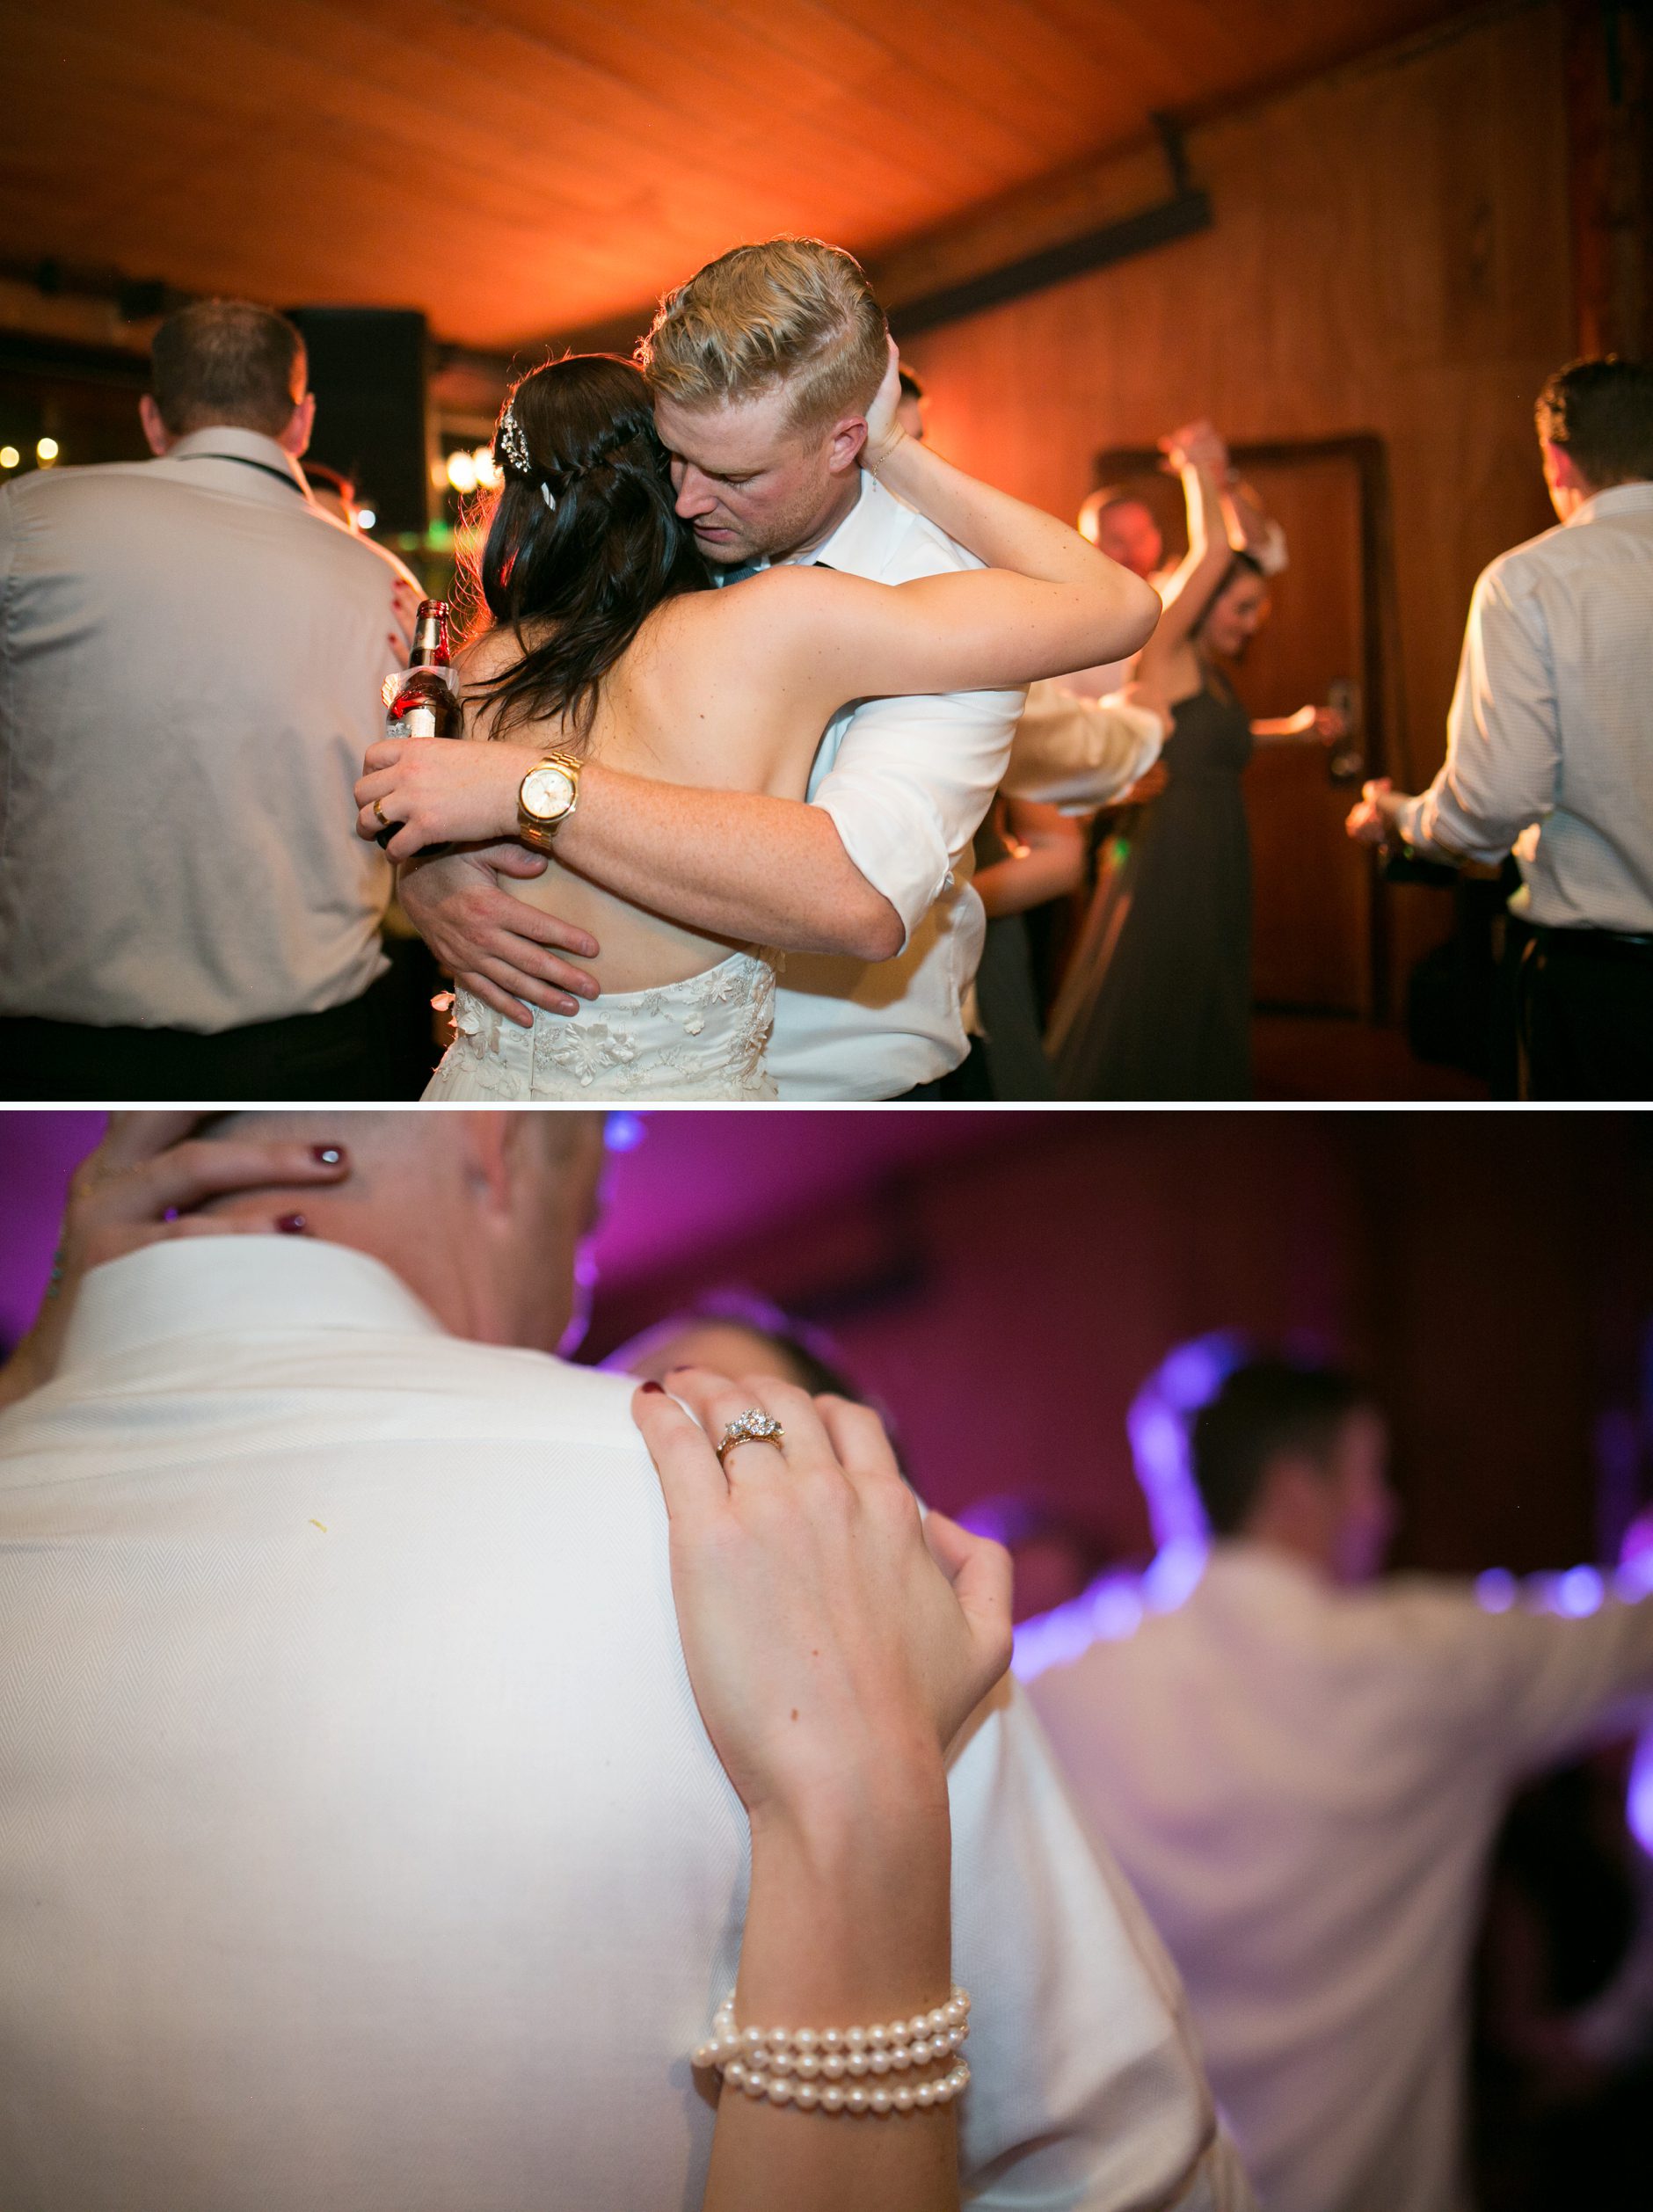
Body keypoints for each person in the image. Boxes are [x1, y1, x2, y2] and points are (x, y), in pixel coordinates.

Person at [0, 1113, 1251, 2211]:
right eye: (592, 1223)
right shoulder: (742, 1552)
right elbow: (1123, 2179)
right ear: (500, 1148)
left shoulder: (832, 1581)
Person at [388, 240, 1154, 1100]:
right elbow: (444, 744)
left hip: (851, 1091)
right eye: (671, 454)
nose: (683, 500)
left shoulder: (934, 587)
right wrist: (430, 867)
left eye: (733, 474)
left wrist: (524, 792)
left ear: (841, 441)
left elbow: (859, 898)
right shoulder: (650, 538)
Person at [1023, 1355, 1653, 2212]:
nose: (1383, 1510)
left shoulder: (1052, 1684)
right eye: (1368, 1475)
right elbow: (1631, 1634)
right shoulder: (1427, 1663)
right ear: (1292, 1490)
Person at [0, 301, 420, 1100]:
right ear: (301, 422)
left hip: (52, 1058)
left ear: (155, 419)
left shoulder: (27, 521)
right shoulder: (385, 589)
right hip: (309, 1050)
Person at [1344, 356, 1653, 1101]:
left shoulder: (1529, 581)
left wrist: (1398, 817)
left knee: (1589, 1206)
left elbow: (1495, 801)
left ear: (1556, 458)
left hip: (1606, 989)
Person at [1049, 426, 1341, 1100]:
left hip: (1214, 843)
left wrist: (1291, 734)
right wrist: (1198, 469)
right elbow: (1215, 553)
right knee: (1158, 989)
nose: (1250, 622)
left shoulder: (1202, 667)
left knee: (1204, 985)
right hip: (1170, 841)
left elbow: (1256, 551)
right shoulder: (1163, 638)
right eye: (1239, 609)